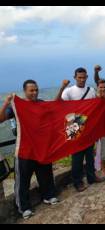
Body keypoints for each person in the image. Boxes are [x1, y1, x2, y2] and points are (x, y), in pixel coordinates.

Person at [0, 79, 64, 219]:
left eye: (36, 89)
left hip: (42, 147)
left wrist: (62, 88)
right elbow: (0, 119)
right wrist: (6, 102)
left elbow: (55, 107)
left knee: (45, 174)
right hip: (24, 149)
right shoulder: (17, 106)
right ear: (25, 91)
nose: (34, 92)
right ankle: (24, 207)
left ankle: (48, 196)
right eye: (31, 90)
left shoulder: (41, 103)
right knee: (23, 180)